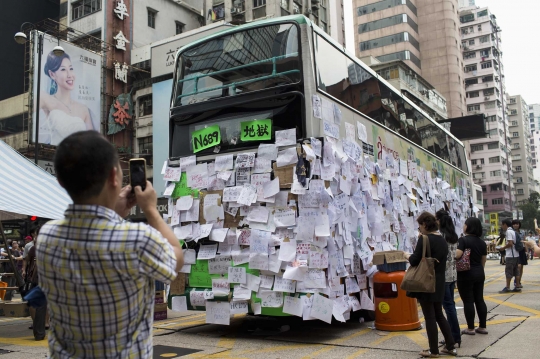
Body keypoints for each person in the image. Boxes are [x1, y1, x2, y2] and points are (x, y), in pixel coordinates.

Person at [36, 131, 184, 358]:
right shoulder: (137, 239)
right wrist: (151, 210)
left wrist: (113, 211)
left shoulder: (47, 237)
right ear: (114, 177)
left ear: (60, 181)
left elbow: (92, 237)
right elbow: (176, 259)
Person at [405, 212, 457, 357]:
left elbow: (415, 260)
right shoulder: (442, 240)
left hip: (426, 281)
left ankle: (434, 351)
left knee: (429, 317)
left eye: (420, 225)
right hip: (439, 281)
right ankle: (451, 346)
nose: (419, 228)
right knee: (439, 314)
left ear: (425, 224)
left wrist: (406, 255)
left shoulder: (425, 239)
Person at [39, 51, 95, 145]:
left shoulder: (83, 109)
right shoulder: (46, 99)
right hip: (55, 156)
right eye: (63, 70)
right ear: (52, 74)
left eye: (71, 69)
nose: (70, 75)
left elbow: (93, 142)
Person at [456, 217, 488, 336]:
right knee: (479, 299)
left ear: (468, 227)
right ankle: (482, 326)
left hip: (465, 274)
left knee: (468, 301)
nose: (463, 226)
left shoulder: (463, 240)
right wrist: (479, 271)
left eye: (465, 224)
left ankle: (470, 328)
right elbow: (483, 260)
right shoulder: (482, 242)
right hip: (479, 272)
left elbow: (458, 254)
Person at [435, 209, 461, 347]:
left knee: (448, 307)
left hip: (444, 277)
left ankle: (454, 337)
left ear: (439, 221)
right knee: (450, 306)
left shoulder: (441, 236)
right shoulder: (453, 236)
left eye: (436, 220)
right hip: (452, 275)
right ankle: (452, 335)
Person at [499, 219, 520, 293]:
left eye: (502, 224)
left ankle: (507, 287)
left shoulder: (508, 231)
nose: (502, 226)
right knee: (516, 270)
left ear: (505, 224)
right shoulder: (514, 231)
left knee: (508, 271)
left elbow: (510, 243)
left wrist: (503, 248)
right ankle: (517, 286)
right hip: (516, 254)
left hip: (510, 255)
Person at [511, 220, 526, 289]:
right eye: (514, 224)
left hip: (522, 250)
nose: (515, 225)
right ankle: (516, 281)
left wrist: (527, 251)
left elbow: (525, 241)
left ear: (519, 225)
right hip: (515, 251)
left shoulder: (522, 232)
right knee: (518, 266)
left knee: (521, 267)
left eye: (517, 224)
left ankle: (519, 282)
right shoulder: (511, 232)